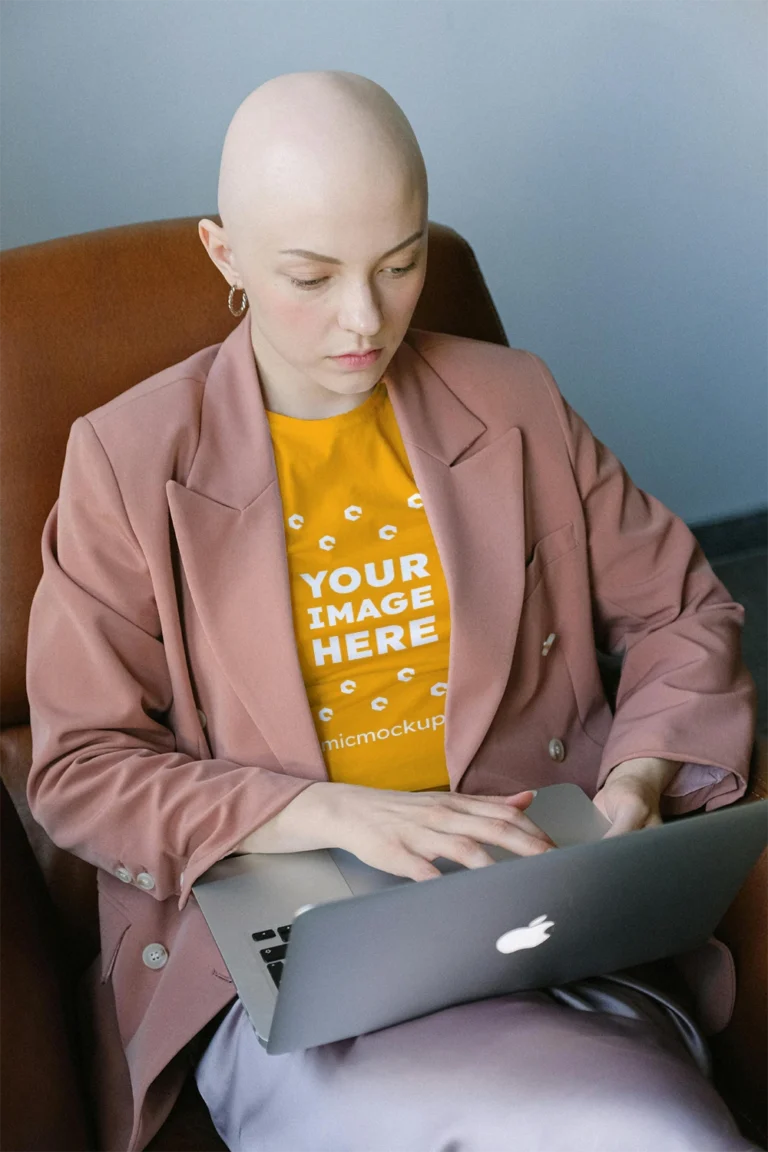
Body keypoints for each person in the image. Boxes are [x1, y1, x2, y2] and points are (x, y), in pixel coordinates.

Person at [25, 70, 757, 1152]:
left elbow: (684, 615)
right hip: (293, 949)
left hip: (537, 913)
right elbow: (78, 767)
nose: (364, 321)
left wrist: (637, 781)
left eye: (401, 262)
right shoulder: (129, 461)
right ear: (225, 255)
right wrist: (333, 813)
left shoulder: (515, 402)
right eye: (311, 277)